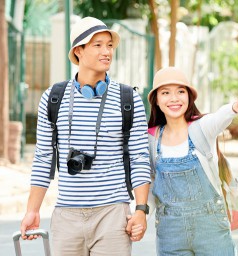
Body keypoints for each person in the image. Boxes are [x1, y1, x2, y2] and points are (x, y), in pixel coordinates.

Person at [20, 17, 151, 255]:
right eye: (98, 45)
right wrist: (32, 210)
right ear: (78, 51)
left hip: (113, 214)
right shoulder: (53, 98)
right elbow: (43, 158)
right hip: (66, 216)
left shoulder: (128, 100)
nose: (107, 52)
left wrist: (141, 209)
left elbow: (140, 157)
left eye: (110, 45)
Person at [147, 67, 238, 255]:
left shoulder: (202, 128)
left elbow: (219, 118)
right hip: (170, 233)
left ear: (189, 97)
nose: (174, 98)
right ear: (157, 101)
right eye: (165, 93)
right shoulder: (151, 139)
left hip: (211, 229)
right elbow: (151, 184)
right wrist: (139, 214)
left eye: (180, 91)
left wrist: (233, 108)